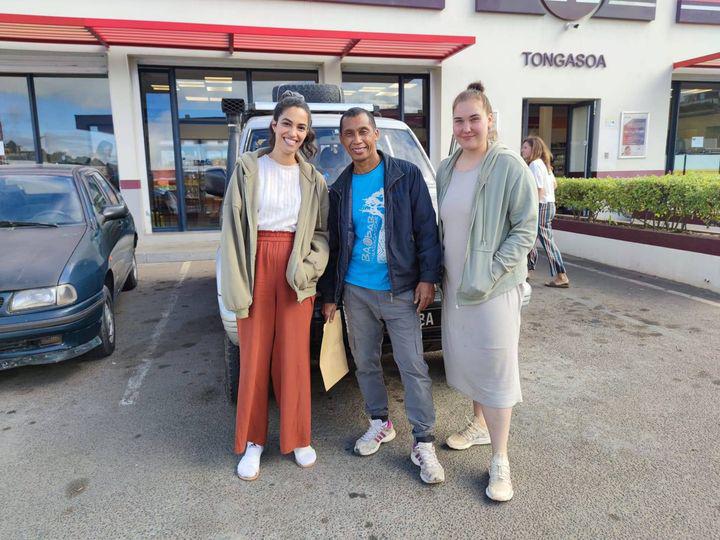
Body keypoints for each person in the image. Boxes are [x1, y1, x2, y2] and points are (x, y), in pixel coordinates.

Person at [318, 107, 445, 484]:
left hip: (400, 289)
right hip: (356, 291)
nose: (356, 140)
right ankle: (380, 422)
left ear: (375, 134)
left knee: (413, 365)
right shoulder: (340, 188)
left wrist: (428, 277)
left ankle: (423, 441)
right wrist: (331, 294)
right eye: (349, 134)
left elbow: (427, 230)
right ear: (342, 140)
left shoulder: (406, 175)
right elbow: (336, 246)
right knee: (366, 362)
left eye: (363, 132)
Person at [219, 91, 329, 481]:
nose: (293, 133)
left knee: (294, 357)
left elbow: (321, 234)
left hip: (295, 270)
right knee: (254, 358)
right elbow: (231, 230)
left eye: (301, 127)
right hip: (255, 266)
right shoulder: (248, 169)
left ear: (306, 132)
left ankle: (297, 437)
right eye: (287, 124)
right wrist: (236, 283)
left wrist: (311, 267)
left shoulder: (313, 179)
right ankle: (253, 441)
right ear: (274, 125)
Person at [436, 82, 538, 501]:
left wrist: (493, 272)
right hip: (457, 287)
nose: (466, 128)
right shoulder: (447, 168)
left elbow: (525, 229)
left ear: (490, 120)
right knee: (469, 361)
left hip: (494, 289)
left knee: (496, 369)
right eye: (459, 120)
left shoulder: (509, 165)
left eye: (474, 119)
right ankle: (479, 425)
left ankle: (500, 459)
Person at [521, 135, 570, 288]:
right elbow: (554, 184)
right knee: (530, 238)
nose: (522, 150)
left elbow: (538, 189)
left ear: (533, 149)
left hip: (541, 206)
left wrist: (531, 208)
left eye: (525, 147)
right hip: (548, 204)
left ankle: (561, 275)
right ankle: (527, 271)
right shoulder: (544, 164)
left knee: (546, 241)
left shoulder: (535, 165)